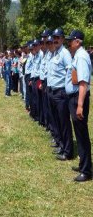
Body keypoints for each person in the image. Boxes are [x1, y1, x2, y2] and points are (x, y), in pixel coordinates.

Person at [65, 30, 92, 182]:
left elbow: (83, 83)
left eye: (70, 41)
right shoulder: (78, 56)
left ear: (77, 42)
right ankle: (83, 164)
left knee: (82, 135)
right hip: (74, 98)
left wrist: (80, 105)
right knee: (79, 134)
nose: (69, 44)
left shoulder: (81, 57)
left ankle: (86, 170)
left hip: (78, 99)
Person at [48, 28, 73, 161]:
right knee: (56, 121)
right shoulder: (54, 53)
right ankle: (62, 146)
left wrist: (67, 90)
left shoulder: (65, 53)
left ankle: (68, 151)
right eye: (54, 37)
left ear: (62, 39)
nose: (55, 40)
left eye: (58, 37)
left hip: (61, 92)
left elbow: (70, 73)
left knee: (64, 122)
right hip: (52, 91)